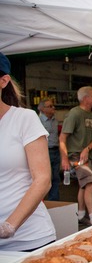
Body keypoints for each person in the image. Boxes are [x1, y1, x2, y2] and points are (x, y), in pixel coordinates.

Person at [0, 52, 56, 251]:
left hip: (28, 240)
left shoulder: (23, 119)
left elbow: (42, 179)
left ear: (3, 80)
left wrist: (8, 226)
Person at [59, 86, 92, 226]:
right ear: (85, 98)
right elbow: (63, 137)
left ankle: (81, 215)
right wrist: (65, 158)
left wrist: (87, 149)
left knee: (83, 185)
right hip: (75, 155)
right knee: (89, 183)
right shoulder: (74, 114)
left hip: (87, 155)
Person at [38, 97, 61, 201]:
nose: (53, 107)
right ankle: (40, 201)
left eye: (53, 105)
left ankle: (54, 201)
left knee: (56, 177)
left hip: (56, 151)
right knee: (46, 178)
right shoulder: (38, 121)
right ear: (42, 109)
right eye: (50, 106)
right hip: (45, 152)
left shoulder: (55, 120)